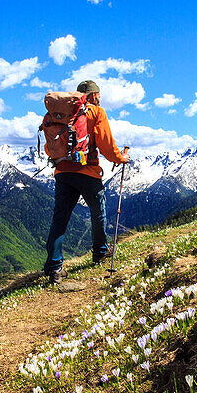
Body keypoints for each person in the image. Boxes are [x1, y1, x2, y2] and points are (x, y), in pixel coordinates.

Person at [43, 80, 129, 283]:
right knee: (97, 212)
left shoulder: (60, 115)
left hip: (62, 172)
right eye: (99, 94)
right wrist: (120, 158)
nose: (100, 98)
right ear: (93, 95)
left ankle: (54, 268)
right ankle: (100, 252)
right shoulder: (96, 112)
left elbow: (50, 147)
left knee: (60, 219)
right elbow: (106, 144)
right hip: (87, 171)